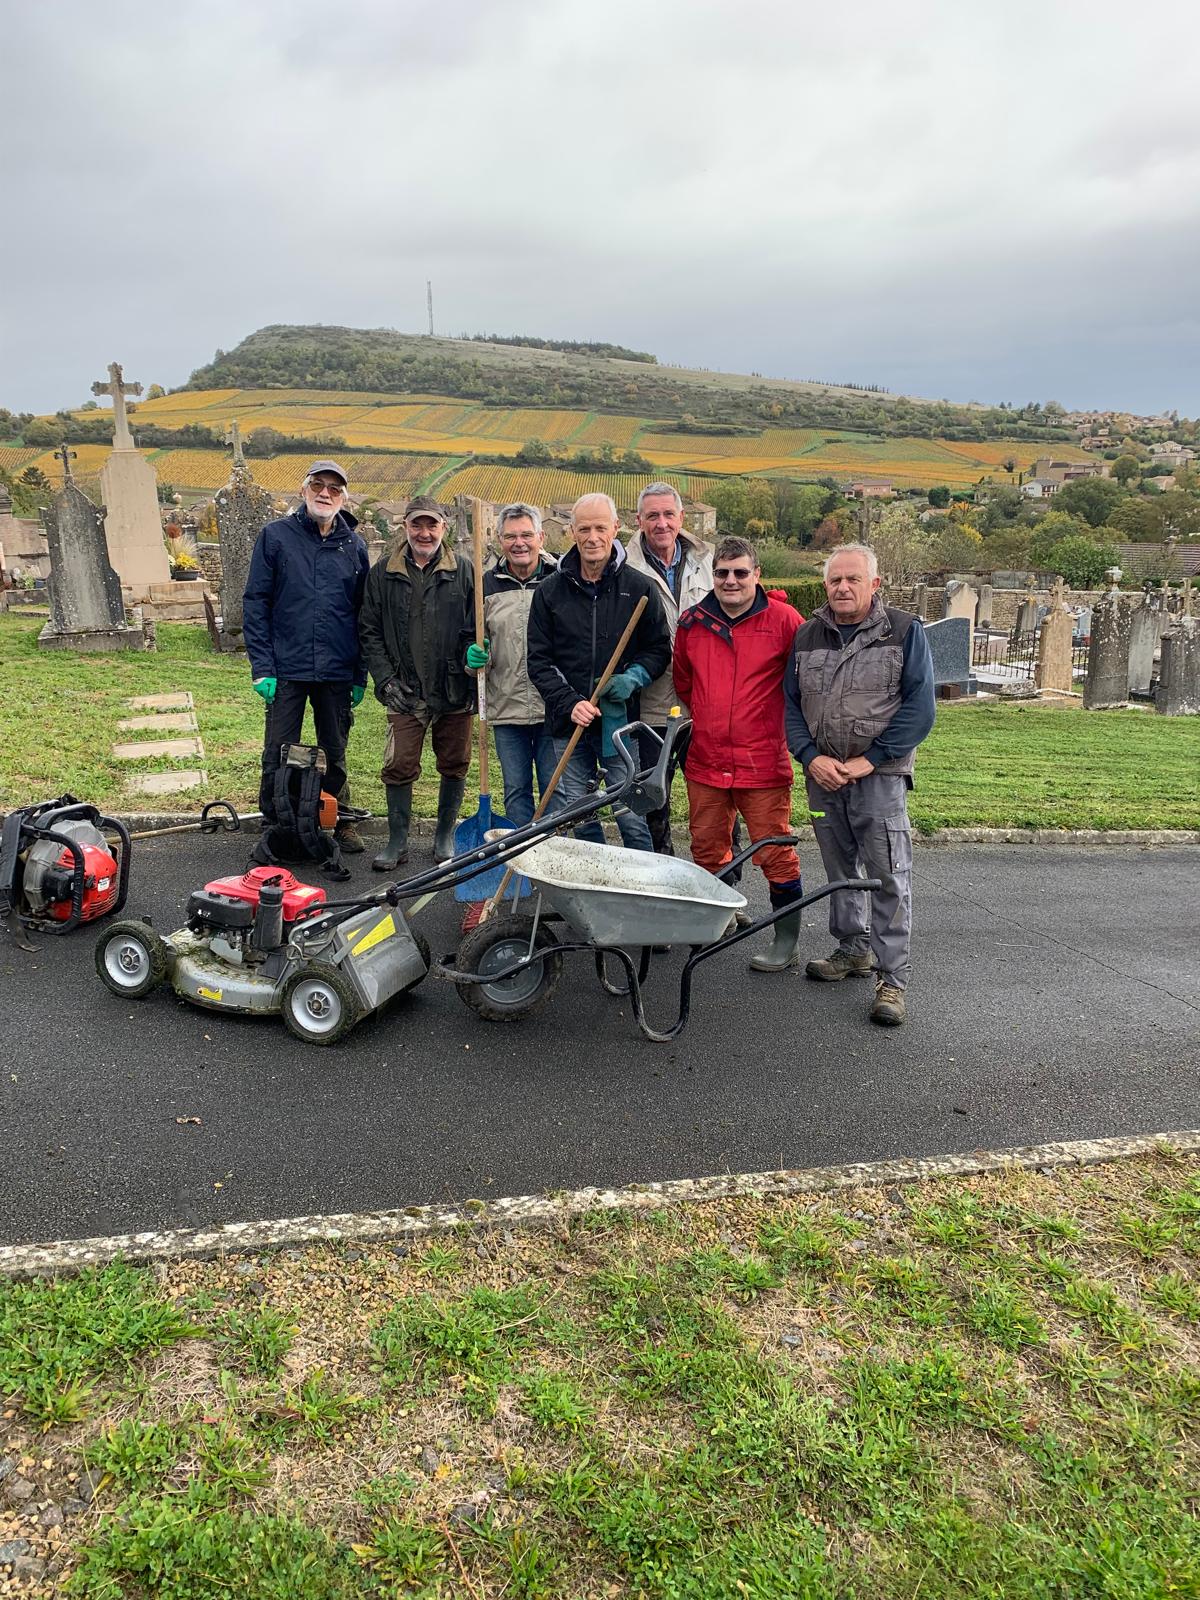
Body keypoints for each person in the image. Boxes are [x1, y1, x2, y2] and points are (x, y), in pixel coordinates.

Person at [784, 542, 935, 1026]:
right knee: (838, 869)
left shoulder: (905, 632)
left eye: (853, 579)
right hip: (823, 777)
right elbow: (790, 707)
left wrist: (871, 759)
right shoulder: (808, 637)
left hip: (879, 778)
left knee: (888, 875)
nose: (842, 587)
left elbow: (919, 709)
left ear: (875, 584)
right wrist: (809, 757)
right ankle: (852, 949)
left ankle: (892, 980)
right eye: (834, 580)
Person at [673, 537, 805, 970]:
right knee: (707, 848)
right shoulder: (692, 623)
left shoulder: (785, 621)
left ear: (757, 574)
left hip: (761, 762)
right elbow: (685, 684)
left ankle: (784, 941)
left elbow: (802, 683)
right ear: (713, 575)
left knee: (774, 851)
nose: (731, 581)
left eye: (740, 573)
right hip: (706, 760)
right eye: (722, 573)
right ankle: (719, 921)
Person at [527, 493, 670, 851]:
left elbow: (659, 648)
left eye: (601, 528)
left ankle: (641, 894)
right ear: (572, 532)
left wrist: (633, 678)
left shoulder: (639, 588)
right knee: (579, 815)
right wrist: (569, 702)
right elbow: (539, 661)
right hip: (568, 725)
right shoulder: (550, 592)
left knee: (631, 815)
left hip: (618, 727)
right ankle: (595, 889)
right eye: (585, 529)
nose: (593, 537)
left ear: (616, 529)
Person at [242, 459, 370, 855]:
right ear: (304, 491)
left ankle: (339, 819)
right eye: (318, 485)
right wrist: (262, 666)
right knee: (279, 750)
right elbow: (255, 602)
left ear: (343, 497)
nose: (325, 493)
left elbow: (363, 613)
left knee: (335, 750)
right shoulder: (276, 537)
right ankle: (277, 824)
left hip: (336, 669)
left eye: (334, 488)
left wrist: (359, 675)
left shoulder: (354, 545)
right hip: (287, 668)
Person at [358, 495, 475, 870]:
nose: (424, 533)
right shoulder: (383, 572)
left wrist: (474, 657)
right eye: (416, 525)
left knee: (455, 762)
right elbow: (369, 630)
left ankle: (444, 835)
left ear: (444, 527)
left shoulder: (465, 571)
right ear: (405, 526)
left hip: (454, 688)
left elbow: (478, 626)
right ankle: (397, 841)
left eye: (432, 525)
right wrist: (385, 678)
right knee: (399, 764)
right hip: (404, 689)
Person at [623, 482, 713, 853]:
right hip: (651, 702)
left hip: (703, 701)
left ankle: (718, 876)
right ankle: (662, 870)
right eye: (653, 515)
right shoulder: (625, 568)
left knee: (710, 794)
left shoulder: (707, 563)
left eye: (668, 514)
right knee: (653, 794)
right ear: (639, 520)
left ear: (681, 518)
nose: (661, 523)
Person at [465, 503, 558, 827]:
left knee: (553, 790)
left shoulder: (560, 581)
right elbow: (473, 640)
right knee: (516, 791)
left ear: (541, 537)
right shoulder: (486, 586)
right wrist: (473, 657)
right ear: (500, 541)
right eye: (510, 536)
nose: (519, 543)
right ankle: (520, 865)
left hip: (553, 708)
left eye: (526, 535)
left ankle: (550, 860)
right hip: (506, 709)